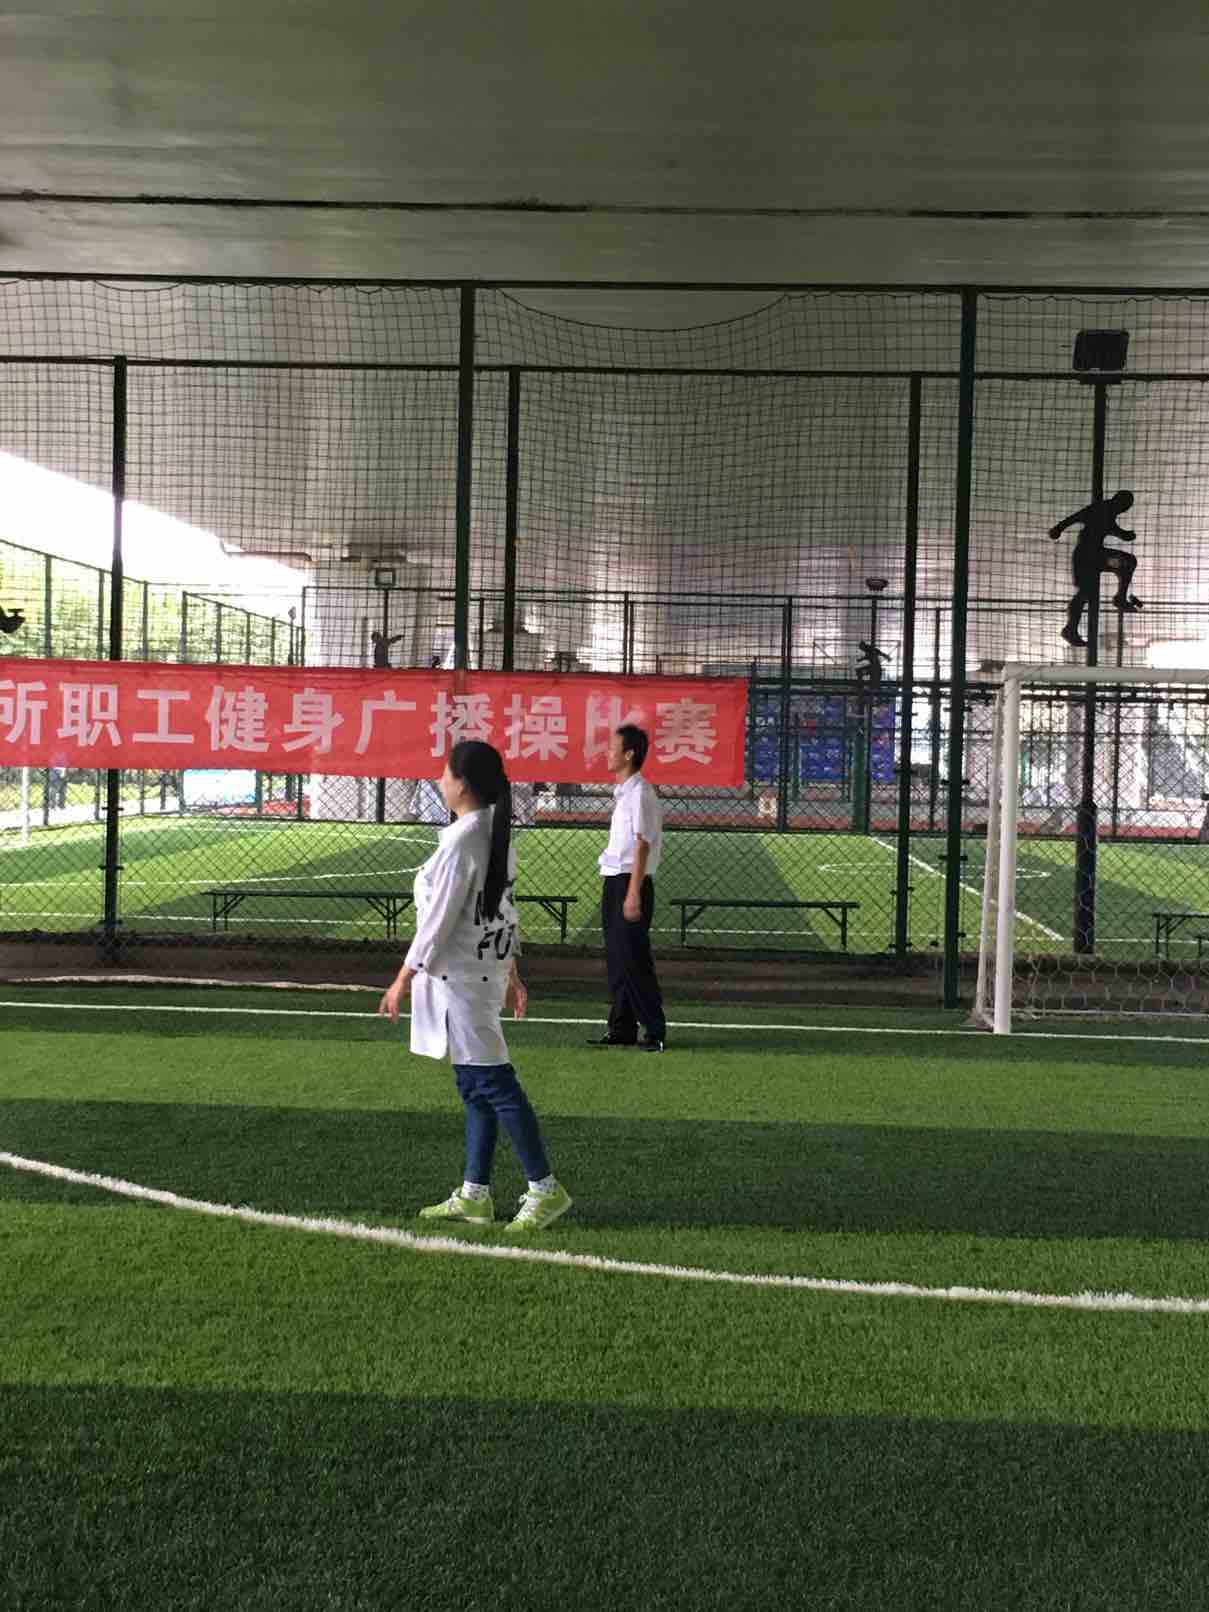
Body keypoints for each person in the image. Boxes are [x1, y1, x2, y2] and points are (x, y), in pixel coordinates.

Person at [378, 739, 571, 1234]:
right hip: (479, 974)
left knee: (494, 1084)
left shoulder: (464, 841)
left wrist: (402, 977)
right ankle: (475, 1194)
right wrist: (513, 972)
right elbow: (502, 914)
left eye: (445, 773)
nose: (439, 780)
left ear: (461, 784)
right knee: (475, 1087)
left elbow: (438, 922)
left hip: (463, 978)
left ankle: (545, 1188)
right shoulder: (489, 833)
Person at [589, 724, 667, 1052]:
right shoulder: (625, 793)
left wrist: (633, 892)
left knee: (634, 959)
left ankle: (654, 1029)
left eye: (613, 748)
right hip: (615, 880)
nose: (607, 753)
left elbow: (642, 844)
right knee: (618, 958)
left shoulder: (640, 794)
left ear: (629, 754)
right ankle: (622, 1027)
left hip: (629, 881)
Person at [1049, 490, 1143, 648]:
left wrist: (1125, 534)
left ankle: (1072, 628)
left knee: (1125, 563)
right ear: (1118, 501)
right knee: (1086, 591)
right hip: (1088, 557)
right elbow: (1077, 517)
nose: (1125, 509)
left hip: (1096, 557)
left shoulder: (1108, 512)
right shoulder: (1101, 509)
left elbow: (1110, 528)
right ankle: (1071, 629)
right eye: (1125, 506)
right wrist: (1058, 528)